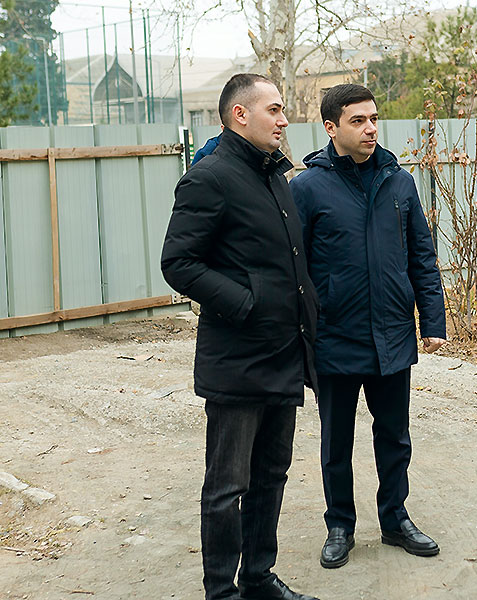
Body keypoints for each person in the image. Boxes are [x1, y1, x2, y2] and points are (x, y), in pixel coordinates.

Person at [161, 73, 320, 600]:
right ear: (240, 115)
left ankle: (257, 578)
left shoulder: (275, 174)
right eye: (274, 109)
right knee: (227, 486)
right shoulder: (210, 177)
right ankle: (221, 591)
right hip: (237, 358)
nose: (284, 120)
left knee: (272, 474)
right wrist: (244, 303)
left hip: (283, 352)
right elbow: (178, 262)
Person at [290, 84, 446, 569]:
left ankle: (395, 519)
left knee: (395, 436)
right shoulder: (307, 188)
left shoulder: (399, 182)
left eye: (374, 118)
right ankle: (340, 525)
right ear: (331, 127)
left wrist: (432, 319)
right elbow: (295, 270)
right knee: (336, 442)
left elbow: (421, 255)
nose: (370, 128)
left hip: (392, 334)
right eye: (357, 120)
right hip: (335, 336)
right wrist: (301, 335)